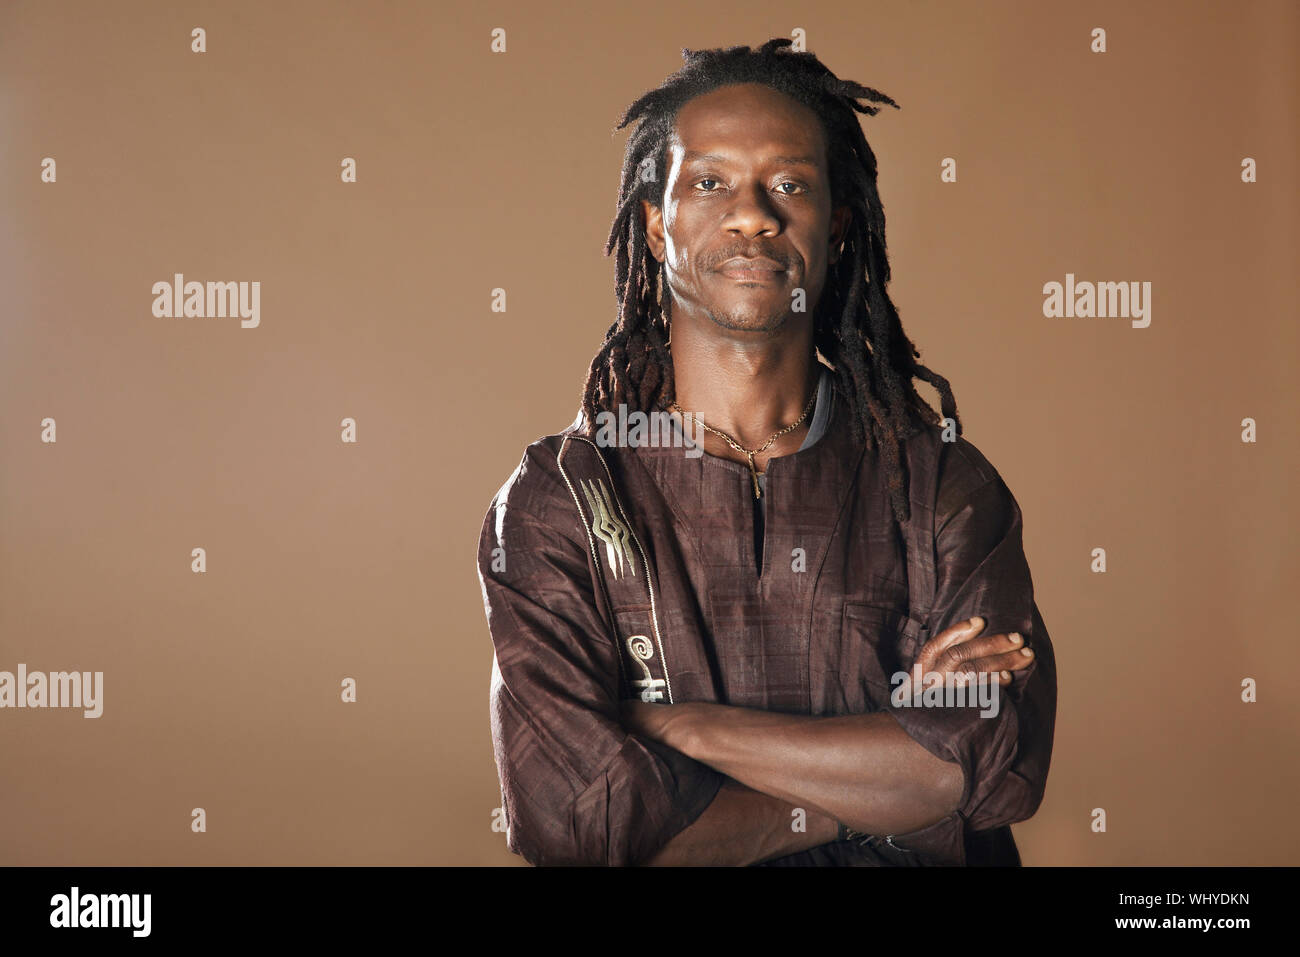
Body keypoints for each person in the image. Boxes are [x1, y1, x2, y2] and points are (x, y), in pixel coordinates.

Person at [476, 38, 1056, 866]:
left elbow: (987, 766)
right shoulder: (560, 497)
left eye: (789, 184)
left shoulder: (939, 481)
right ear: (655, 223)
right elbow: (580, 826)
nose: (752, 213)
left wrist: (680, 727)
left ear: (838, 223)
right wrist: (885, 786)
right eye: (709, 183)